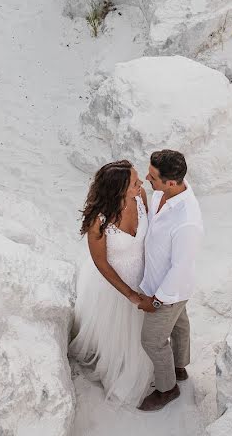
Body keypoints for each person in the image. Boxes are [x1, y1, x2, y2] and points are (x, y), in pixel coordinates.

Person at [69, 160, 156, 406]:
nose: (140, 184)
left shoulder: (140, 197)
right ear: (118, 189)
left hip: (142, 276)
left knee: (142, 334)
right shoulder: (99, 220)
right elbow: (101, 263)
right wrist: (130, 294)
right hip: (114, 285)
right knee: (117, 336)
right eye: (134, 182)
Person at [137, 149, 203, 412]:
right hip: (165, 282)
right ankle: (179, 368)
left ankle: (167, 388)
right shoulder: (163, 192)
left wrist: (157, 300)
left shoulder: (188, 221)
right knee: (180, 325)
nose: (146, 178)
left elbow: (181, 267)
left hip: (168, 290)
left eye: (153, 176)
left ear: (171, 183)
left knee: (152, 340)